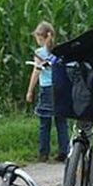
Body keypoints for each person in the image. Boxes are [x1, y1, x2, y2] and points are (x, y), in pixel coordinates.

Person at [25, 21, 70, 162]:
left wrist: (30, 91)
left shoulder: (39, 53)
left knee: (44, 122)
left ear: (41, 37)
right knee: (61, 121)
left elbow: (36, 72)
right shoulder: (59, 51)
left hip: (46, 89)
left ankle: (43, 153)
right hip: (60, 88)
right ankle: (64, 151)